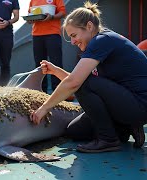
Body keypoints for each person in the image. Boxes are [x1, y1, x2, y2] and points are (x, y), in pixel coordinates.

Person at [30, 2, 147, 153]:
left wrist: (43, 109)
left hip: (140, 105)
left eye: (74, 35)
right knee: (75, 131)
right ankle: (125, 128)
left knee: (81, 83)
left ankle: (109, 140)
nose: (72, 42)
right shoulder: (97, 43)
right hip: (125, 101)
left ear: (89, 27)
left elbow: (76, 83)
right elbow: (81, 83)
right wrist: (56, 71)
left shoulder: (102, 40)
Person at [28, 0, 66, 93]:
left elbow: (63, 13)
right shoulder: (32, 0)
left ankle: (58, 92)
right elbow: (29, 17)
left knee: (56, 63)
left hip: (53, 34)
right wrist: (30, 19)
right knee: (39, 65)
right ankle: (41, 92)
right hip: (36, 35)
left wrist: (52, 17)